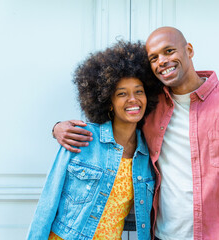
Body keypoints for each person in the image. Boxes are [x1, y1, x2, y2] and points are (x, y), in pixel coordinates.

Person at [53, 27, 219, 239]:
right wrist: (58, 128)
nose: (162, 61)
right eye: (154, 57)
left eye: (169, 51)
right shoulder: (149, 106)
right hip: (161, 235)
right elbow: (112, 126)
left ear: (189, 50)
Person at [27, 41, 162, 240]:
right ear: (108, 101)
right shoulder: (83, 138)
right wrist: (56, 128)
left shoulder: (147, 153)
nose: (133, 99)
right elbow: (48, 202)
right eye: (122, 93)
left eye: (139, 91)